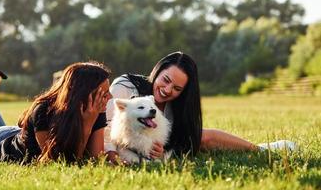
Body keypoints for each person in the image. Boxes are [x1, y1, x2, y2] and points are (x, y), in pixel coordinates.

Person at [105, 51, 296, 161]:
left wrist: (164, 152)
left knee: (203, 137)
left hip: (158, 154)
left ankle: (262, 150)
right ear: (158, 70)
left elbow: (178, 143)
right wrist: (111, 154)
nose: (167, 90)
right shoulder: (126, 86)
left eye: (177, 88)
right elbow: (104, 126)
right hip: (125, 150)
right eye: (166, 80)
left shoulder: (176, 106)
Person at [0, 62, 112, 163]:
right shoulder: (43, 110)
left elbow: (96, 158)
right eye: (104, 93)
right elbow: (54, 161)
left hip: (17, 133)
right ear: (83, 93)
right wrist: (87, 125)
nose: (110, 97)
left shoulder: (96, 109)